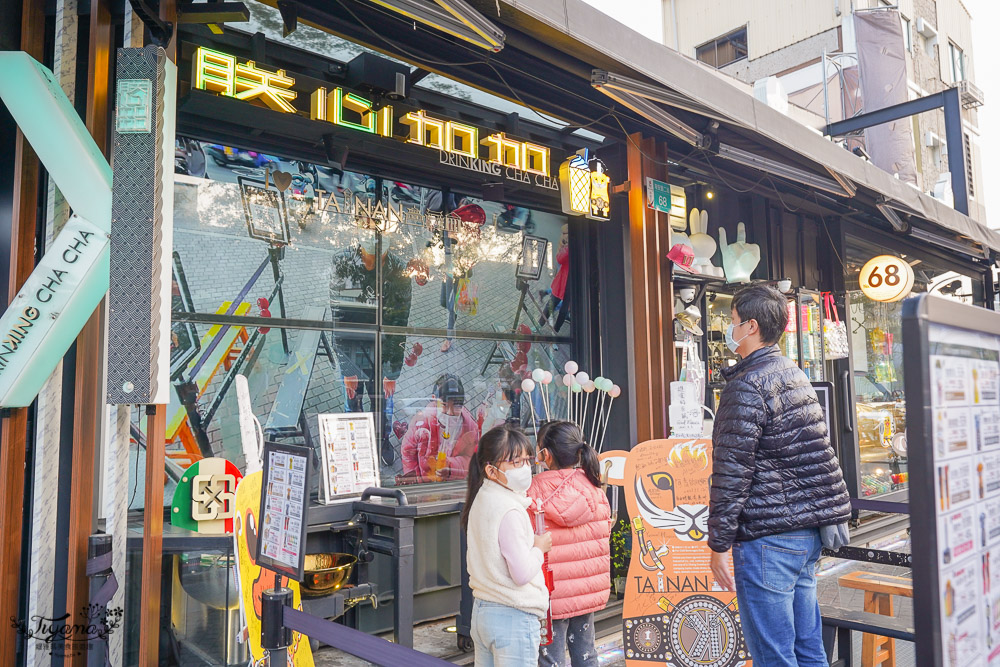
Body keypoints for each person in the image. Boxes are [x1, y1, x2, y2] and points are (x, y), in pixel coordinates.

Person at [708, 285, 851, 667]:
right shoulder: (793, 373)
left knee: (774, 655)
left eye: (733, 321)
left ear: (750, 326)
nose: (729, 327)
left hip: (768, 538)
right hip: (805, 536)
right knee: (808, 648)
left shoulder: (747, 384)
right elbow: (821, 453)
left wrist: (718, 543)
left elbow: (731, 472)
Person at [463, 425, 552, 666]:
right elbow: (521, 573)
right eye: (515, 462)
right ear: (491, 470)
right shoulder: (509, 509)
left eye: (526, 460)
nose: (525, 468)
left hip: (483, 612)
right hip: (513, 615)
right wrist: (539, 547)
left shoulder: (482, 498)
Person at [528, 421, 611, 667]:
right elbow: (604, 532)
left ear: (546, 455)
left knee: (550, 660)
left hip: (551, 595)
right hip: (585, 591)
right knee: (586, 654)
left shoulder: (534, 490)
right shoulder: (595, 487)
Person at [399, 374, 479, 483]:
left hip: (449, 485)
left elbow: (470, 459)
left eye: (456, 406)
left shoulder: (470, 429)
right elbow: (408, 451)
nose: (450, 412)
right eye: (444, 405)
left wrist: (451, 467)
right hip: (424, 482)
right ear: (434, 401)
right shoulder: (421, 422)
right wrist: (414, 478)